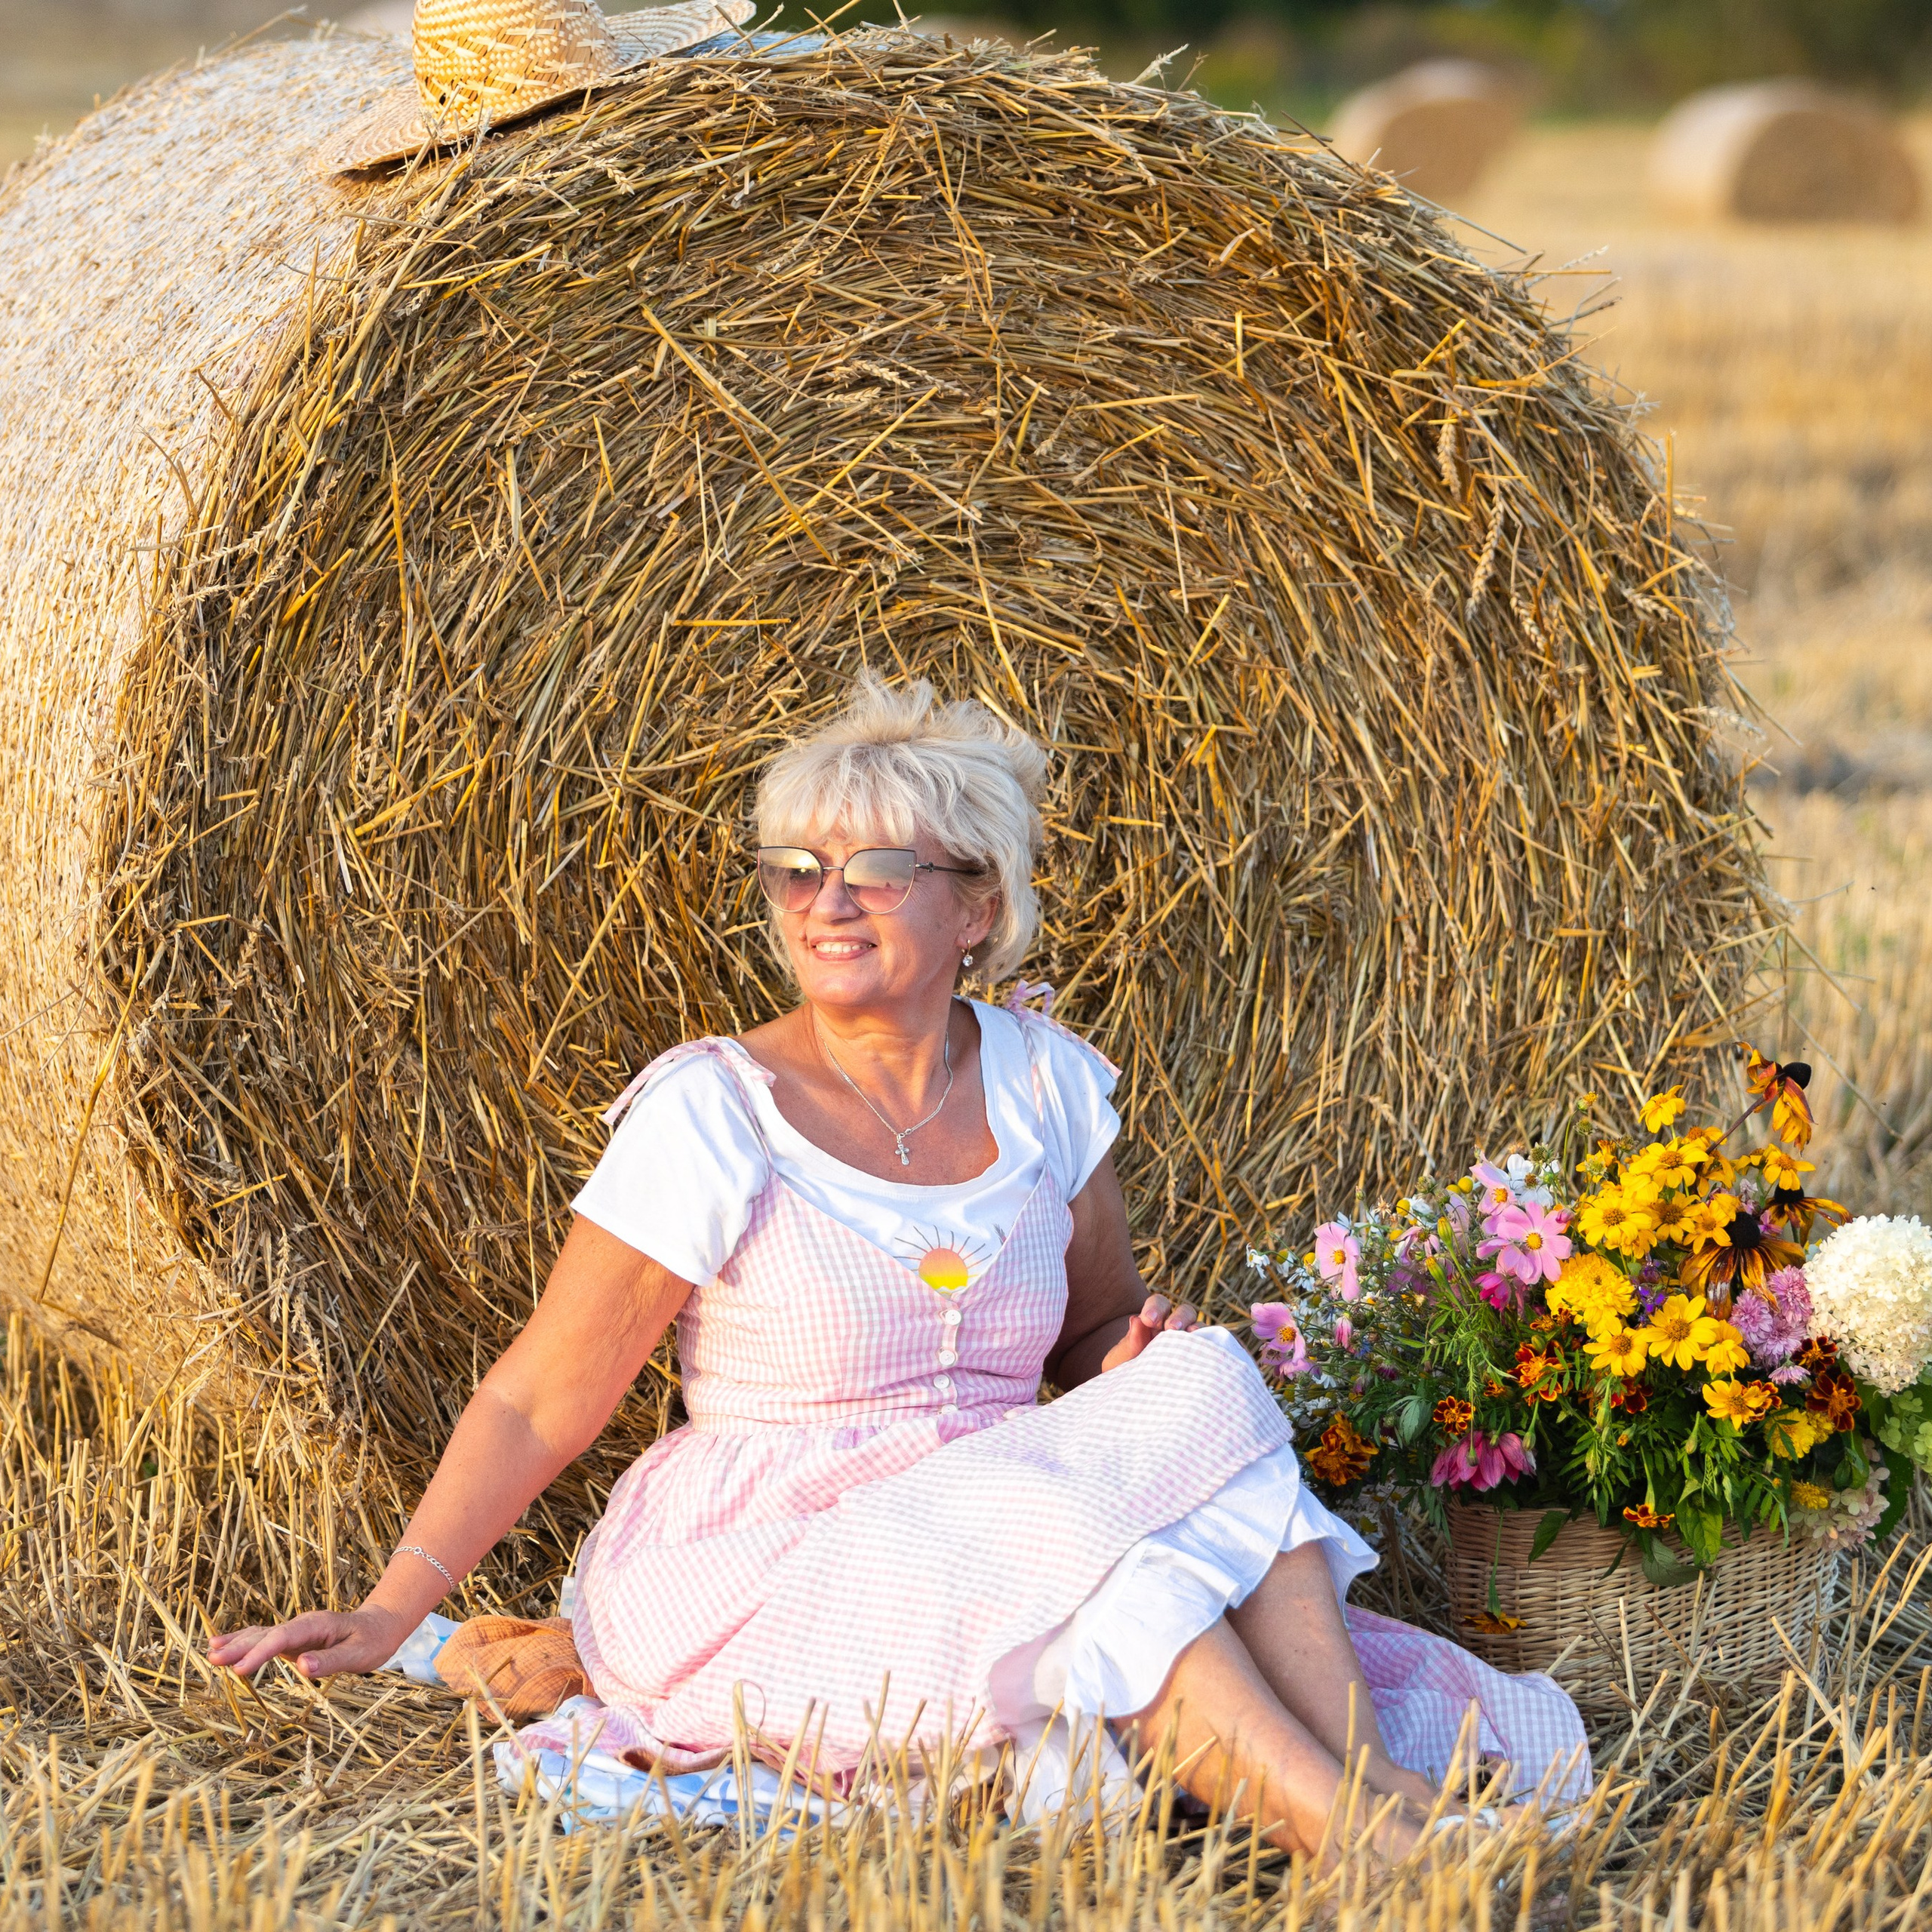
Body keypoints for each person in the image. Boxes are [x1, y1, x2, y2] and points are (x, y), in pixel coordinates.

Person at [210, 675, 1586, 1858]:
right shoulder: (711, 1112)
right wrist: (400, 1603)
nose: (827, 902)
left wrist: (1124, 1364)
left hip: (1000, 1494)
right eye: (796, 870)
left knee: (1204, 1372)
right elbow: (539, 1397)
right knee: (1076, 1554)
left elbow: (1091, 1328)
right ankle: (1368, 1845)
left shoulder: (1048, 1086)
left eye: (877, 871)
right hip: (776, 1546)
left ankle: (1367, 1777)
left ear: (978, 904)